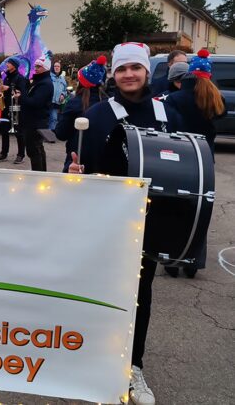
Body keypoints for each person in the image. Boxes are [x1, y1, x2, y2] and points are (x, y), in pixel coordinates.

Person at [68, 42, 183, 405]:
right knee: (98, 292)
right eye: (122, 69)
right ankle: (91, 361)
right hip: (106, 221)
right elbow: (77, 167)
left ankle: (133, 366)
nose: (129, 75)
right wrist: (71, 172)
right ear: (113, 75)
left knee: (139, 295)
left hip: (152, 220)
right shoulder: (99, 114)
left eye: (135, 68)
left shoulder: (170, 113)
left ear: (147, 71)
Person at [161, 49, 225, 279]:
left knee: (174, 207)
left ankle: (171, 260)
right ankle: (193, 262)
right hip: (205, 158)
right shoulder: (215, 98)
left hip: (180, 157)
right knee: (200, 209)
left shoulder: (176, 99)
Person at [55, 55, 108, 172]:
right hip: (103, 161)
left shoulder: (75, 103)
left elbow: (61, 133)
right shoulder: (108, 102)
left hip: (76, 161)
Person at [15, 55, 53, 171]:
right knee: (37, 149)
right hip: (32, 122)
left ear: (45, 68)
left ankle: (38, 177)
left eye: (39, 66)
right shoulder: (39, 81)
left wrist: (21, 96)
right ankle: (42, 175)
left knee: (34, 151)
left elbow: (34, 102)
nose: (35, 68)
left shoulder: (45, 83)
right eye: (35, 66)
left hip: (36, 123)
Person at [0, 57, 26, 164]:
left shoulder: (20, 78)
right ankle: (3, 153)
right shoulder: (6, 77)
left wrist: (9, 89)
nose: (7, 64)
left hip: (15, 107)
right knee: (4, 131)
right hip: (5, 106)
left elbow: (22, 93)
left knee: (18, 132)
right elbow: (3, 89)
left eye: (9, 63)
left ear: (14, 65)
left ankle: (21, 154)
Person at [49, 61, 68, 130]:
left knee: (54, 118)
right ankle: (44, 134)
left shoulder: (62, 79)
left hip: (56, 102)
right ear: (52, 68)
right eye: (55, 66)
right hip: (48, 101)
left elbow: (65, 90)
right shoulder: (49, 77)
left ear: (60, 68)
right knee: (47, 118)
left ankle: (51, 135)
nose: (56, 68)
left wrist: (63, 94)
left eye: (58, 66)